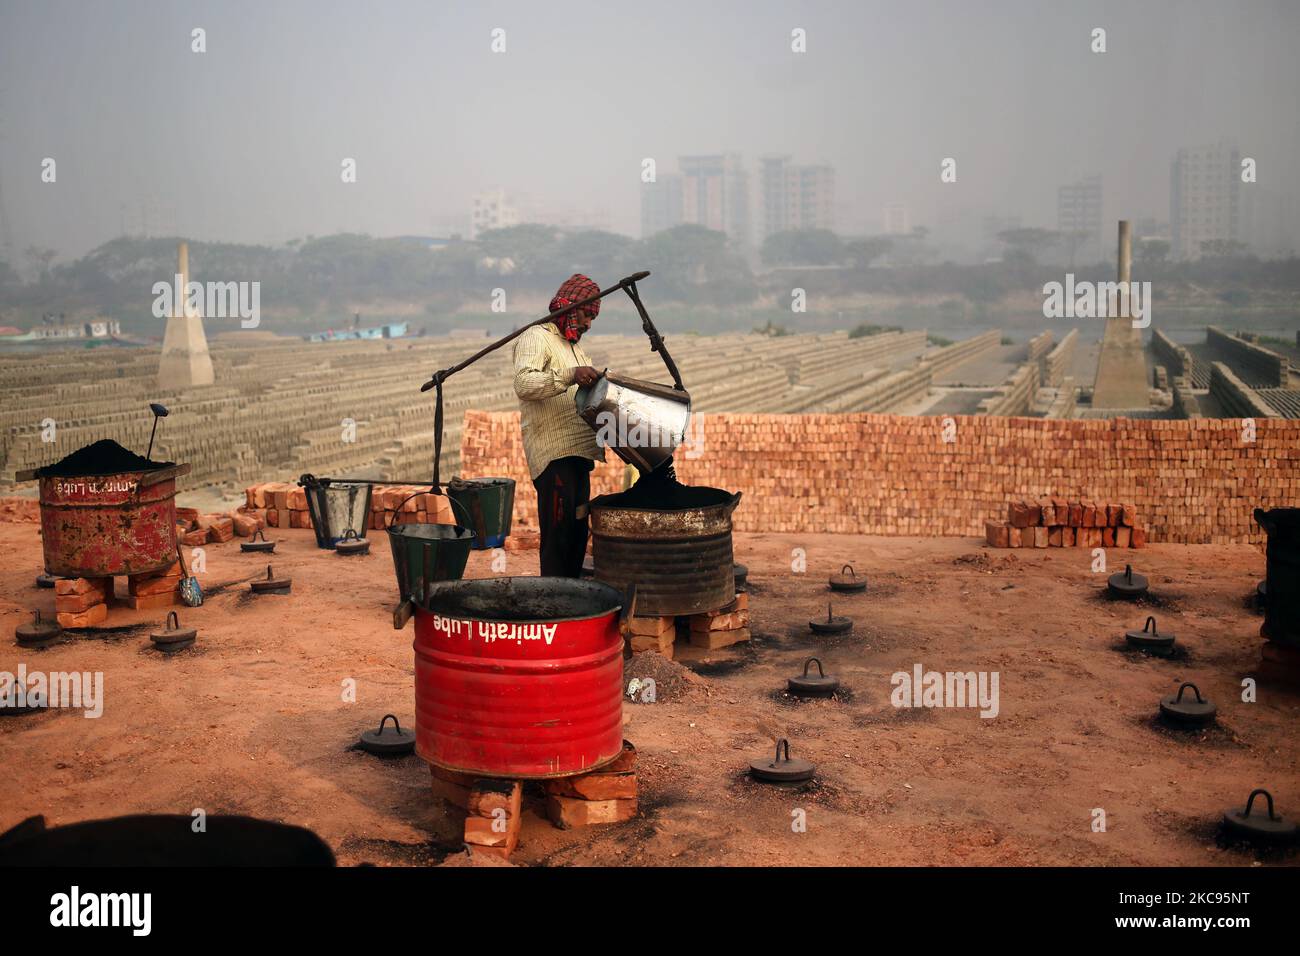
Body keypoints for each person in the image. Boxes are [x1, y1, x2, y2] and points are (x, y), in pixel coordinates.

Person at [512, 274, 606, 577]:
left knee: (578, 533)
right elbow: (524, 384)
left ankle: (573, 597)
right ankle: (553, 602)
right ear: (568, 306)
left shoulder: (576, 349)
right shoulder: (536, 337)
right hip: (554, 456)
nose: (589, 324)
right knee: (558, 532)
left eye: (593, 317)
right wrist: (568, 375)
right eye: (586, 314)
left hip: (579, 456)